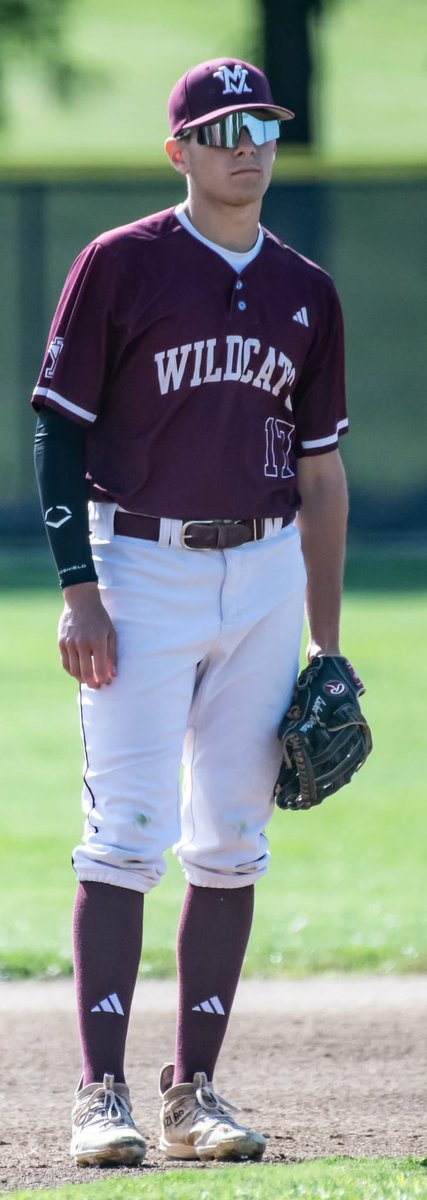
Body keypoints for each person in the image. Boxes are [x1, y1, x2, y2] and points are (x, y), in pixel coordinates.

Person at [32, 56, 349, 1167]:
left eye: (260, 121)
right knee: (122, 838)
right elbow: (57, 436)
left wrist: (327, 644)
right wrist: (81, 590)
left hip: (262, 575)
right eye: (219, 128)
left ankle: (195, 1094)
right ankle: (101, 1095)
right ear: (180, 152)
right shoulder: (118, 266)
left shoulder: (307, 289)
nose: (245, 143)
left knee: (231, 845)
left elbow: (319, 476)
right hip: (139, 569)